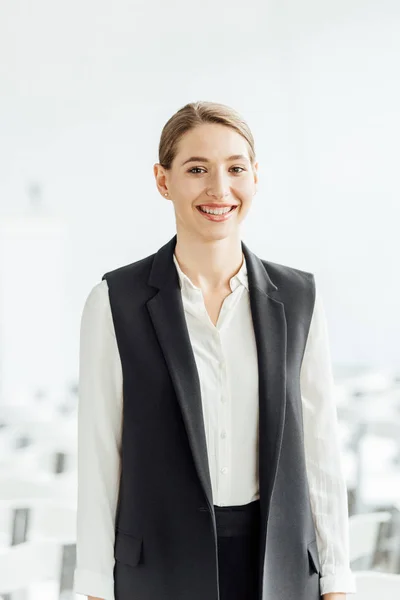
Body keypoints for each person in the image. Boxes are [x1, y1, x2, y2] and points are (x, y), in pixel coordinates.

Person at [73, 101, 356, 600]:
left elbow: (320, 448)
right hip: (158, 569)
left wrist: (337, 580)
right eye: (196, 169)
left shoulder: (299, 298)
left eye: (235, 168)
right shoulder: (115, 301)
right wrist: (95, 586)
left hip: (281, 568)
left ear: (255, 177)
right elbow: (100, 456)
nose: (219, 188)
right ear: (163, 181)